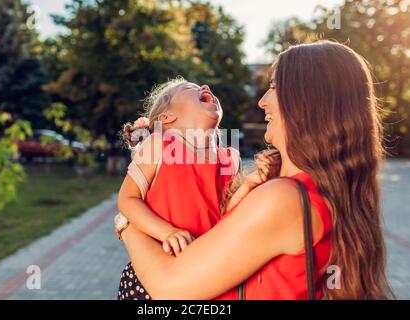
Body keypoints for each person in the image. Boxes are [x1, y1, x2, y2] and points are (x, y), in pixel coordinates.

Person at [117, 41, 395, 300]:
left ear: (306, 101)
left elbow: (171, 291)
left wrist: (128, 226)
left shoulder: (284, 199)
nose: (262, 101)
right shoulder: (312, 191)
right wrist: (241, 201)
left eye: (274, 87)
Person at [116, 77, 280, 300]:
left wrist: (249, 185)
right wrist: (167, 232)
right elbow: (127, 199)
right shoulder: (159, 144)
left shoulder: (230, 158)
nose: (204, 87)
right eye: (189, 88)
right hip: (151, 274)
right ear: (167, 117)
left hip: (203, 273)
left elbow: (227, 214)